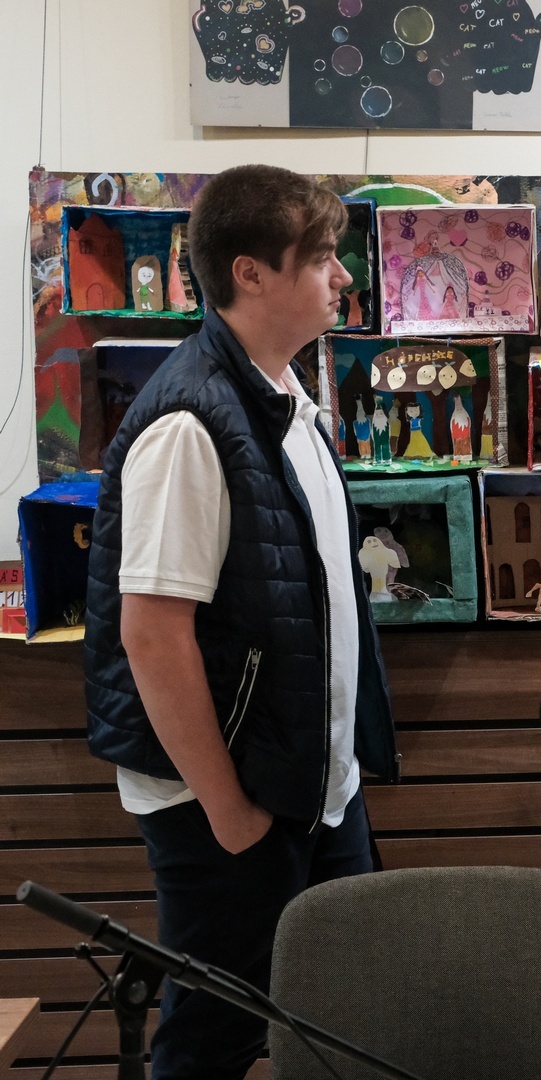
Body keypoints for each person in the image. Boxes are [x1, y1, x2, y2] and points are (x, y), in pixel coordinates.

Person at [81, 164, 397, 1080]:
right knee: (214, 1038)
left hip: (311, 787)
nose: (343, 275)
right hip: (232, 803)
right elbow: (152, 636)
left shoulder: (287, 400)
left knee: (342, 1021)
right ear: (250, 273)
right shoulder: (190, 423)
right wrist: (230, 816)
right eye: (322, 257)